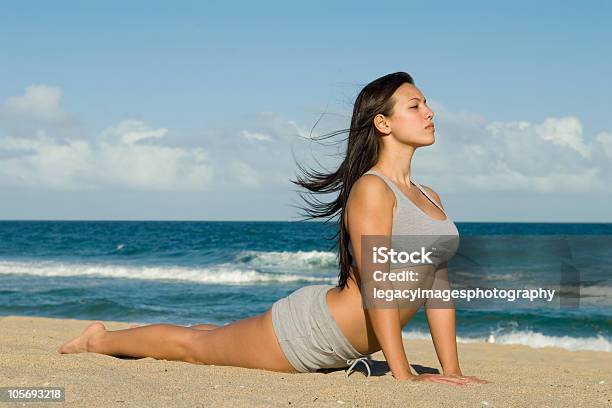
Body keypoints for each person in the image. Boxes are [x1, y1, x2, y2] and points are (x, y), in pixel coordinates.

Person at [58, 72, 489, 386]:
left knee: (215, 337)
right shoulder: (372, 190)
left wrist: (452, 371)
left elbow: (438, 288)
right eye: (416, 105)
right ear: (383, 123)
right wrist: (403, 374)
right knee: (198, 350)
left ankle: (209, 332)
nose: (430, 112)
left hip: (342, 335)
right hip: (314, 334)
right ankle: (99, 340)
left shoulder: (429, 195)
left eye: (427, 104)